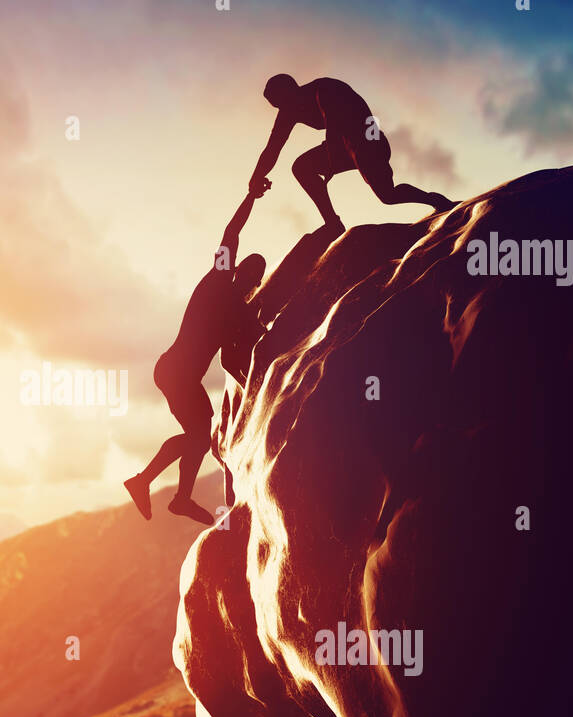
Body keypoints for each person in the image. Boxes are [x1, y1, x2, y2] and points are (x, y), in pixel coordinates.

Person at [125, 183, 270, 526]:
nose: (254, 283)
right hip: (174, 371)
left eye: (257, 280)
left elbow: (231, 361)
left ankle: (175, 496)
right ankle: (150, 484)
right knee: (199, 436)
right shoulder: (219, 279)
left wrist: (256, 390)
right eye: (253, 275)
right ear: (240, 271)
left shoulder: (237, 312)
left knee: (199, 438)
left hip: (180, 377)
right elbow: (232, 231)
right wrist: (251, 196)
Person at [250, 74, 455, 232]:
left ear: (292, 90)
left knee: (388, 195)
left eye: (283, 102)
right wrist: (257, 177)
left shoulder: (324, 89)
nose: (283, 109)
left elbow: (334, 126)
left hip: (369, 142)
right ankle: (333, 223)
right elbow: (273, 148)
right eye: (278, 106)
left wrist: (331, 161)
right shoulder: (288, 112)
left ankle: (435, 200)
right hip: (344, 146)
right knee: (301, 167)